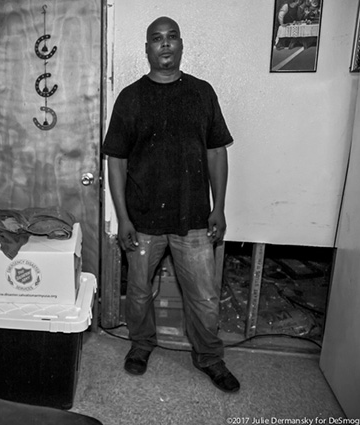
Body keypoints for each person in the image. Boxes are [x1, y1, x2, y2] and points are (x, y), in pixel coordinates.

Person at [102, 16, 239, 393]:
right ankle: (141, 344)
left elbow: (216, 152)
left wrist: (219, 206)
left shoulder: (202, 93)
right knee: (140, 292)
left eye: (171, 37)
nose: (164, 44)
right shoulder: (130, 98)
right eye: (156, 39)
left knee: (205, 296)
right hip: (143, 218)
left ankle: (209, 357)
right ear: (146, 49)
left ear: (181, 45)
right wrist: (123, 218)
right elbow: (116, 161)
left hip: (193, 216)